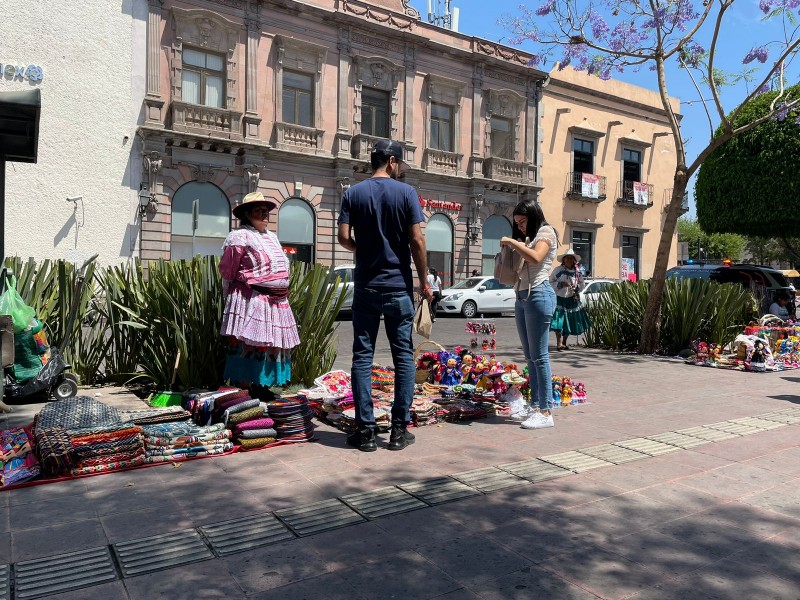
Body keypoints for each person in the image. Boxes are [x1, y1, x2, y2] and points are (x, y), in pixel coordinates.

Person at [338, 139, 433, 452]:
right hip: (397, 285)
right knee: (403, 356)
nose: (401, 169)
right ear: (392, 161)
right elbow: (417, 240)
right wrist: (424, 282)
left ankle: (365, 432)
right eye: (400, 164)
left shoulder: (353, 193)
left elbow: (343, 237)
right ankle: (397, 431)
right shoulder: (405, 193)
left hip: (365, 285)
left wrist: (363, 250)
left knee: (362, 356)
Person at [219, 192, 300, 397]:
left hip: (277, 300)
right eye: (258, 210)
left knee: (271, 343)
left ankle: (263, 386)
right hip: (252, 298)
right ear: (247, 214)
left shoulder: (272, 237)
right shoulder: (239, 236)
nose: (264, 214)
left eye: (266, 211)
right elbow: (228, 270)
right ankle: (246, 387)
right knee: (251, 343)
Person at [500, 199, 559, 430]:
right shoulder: (529, 238)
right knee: (530, 356)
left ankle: (546, 410)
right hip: (522, 297)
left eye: (523, 221)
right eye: (517, 223)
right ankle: (535, 405)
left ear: (533, 216)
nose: (521, 226)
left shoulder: (546, 232)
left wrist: (513, 243)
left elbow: (536, 257)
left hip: (539, 295)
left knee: (540, 355)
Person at [549, 248, 592, 350]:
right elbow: (550, 283)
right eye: (567, 258)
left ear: (574, 260)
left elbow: (582, 284)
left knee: (568, 320)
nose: (569, 260)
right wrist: (560, 284)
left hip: (571, 299)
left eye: (571, 258)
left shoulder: (577, 273)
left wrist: (576, 288)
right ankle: (559, 343)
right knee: (559, 320)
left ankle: (564, 342)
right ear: (564, 260)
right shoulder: (558, 270)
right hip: (560, 298)